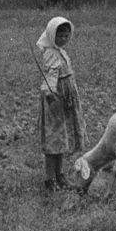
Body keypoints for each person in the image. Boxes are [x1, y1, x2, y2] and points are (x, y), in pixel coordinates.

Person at [34, 16, 84, 190]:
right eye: (60, 35)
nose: (63, 39)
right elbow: (50, 77)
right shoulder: (50, 54)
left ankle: (60, 174)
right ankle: (50, 179)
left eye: (66, 36)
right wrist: (51, 94)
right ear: (51, 35)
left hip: (65, 101)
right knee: (53, 142)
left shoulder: (60, 52)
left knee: (61, 140)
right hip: (55, 101)